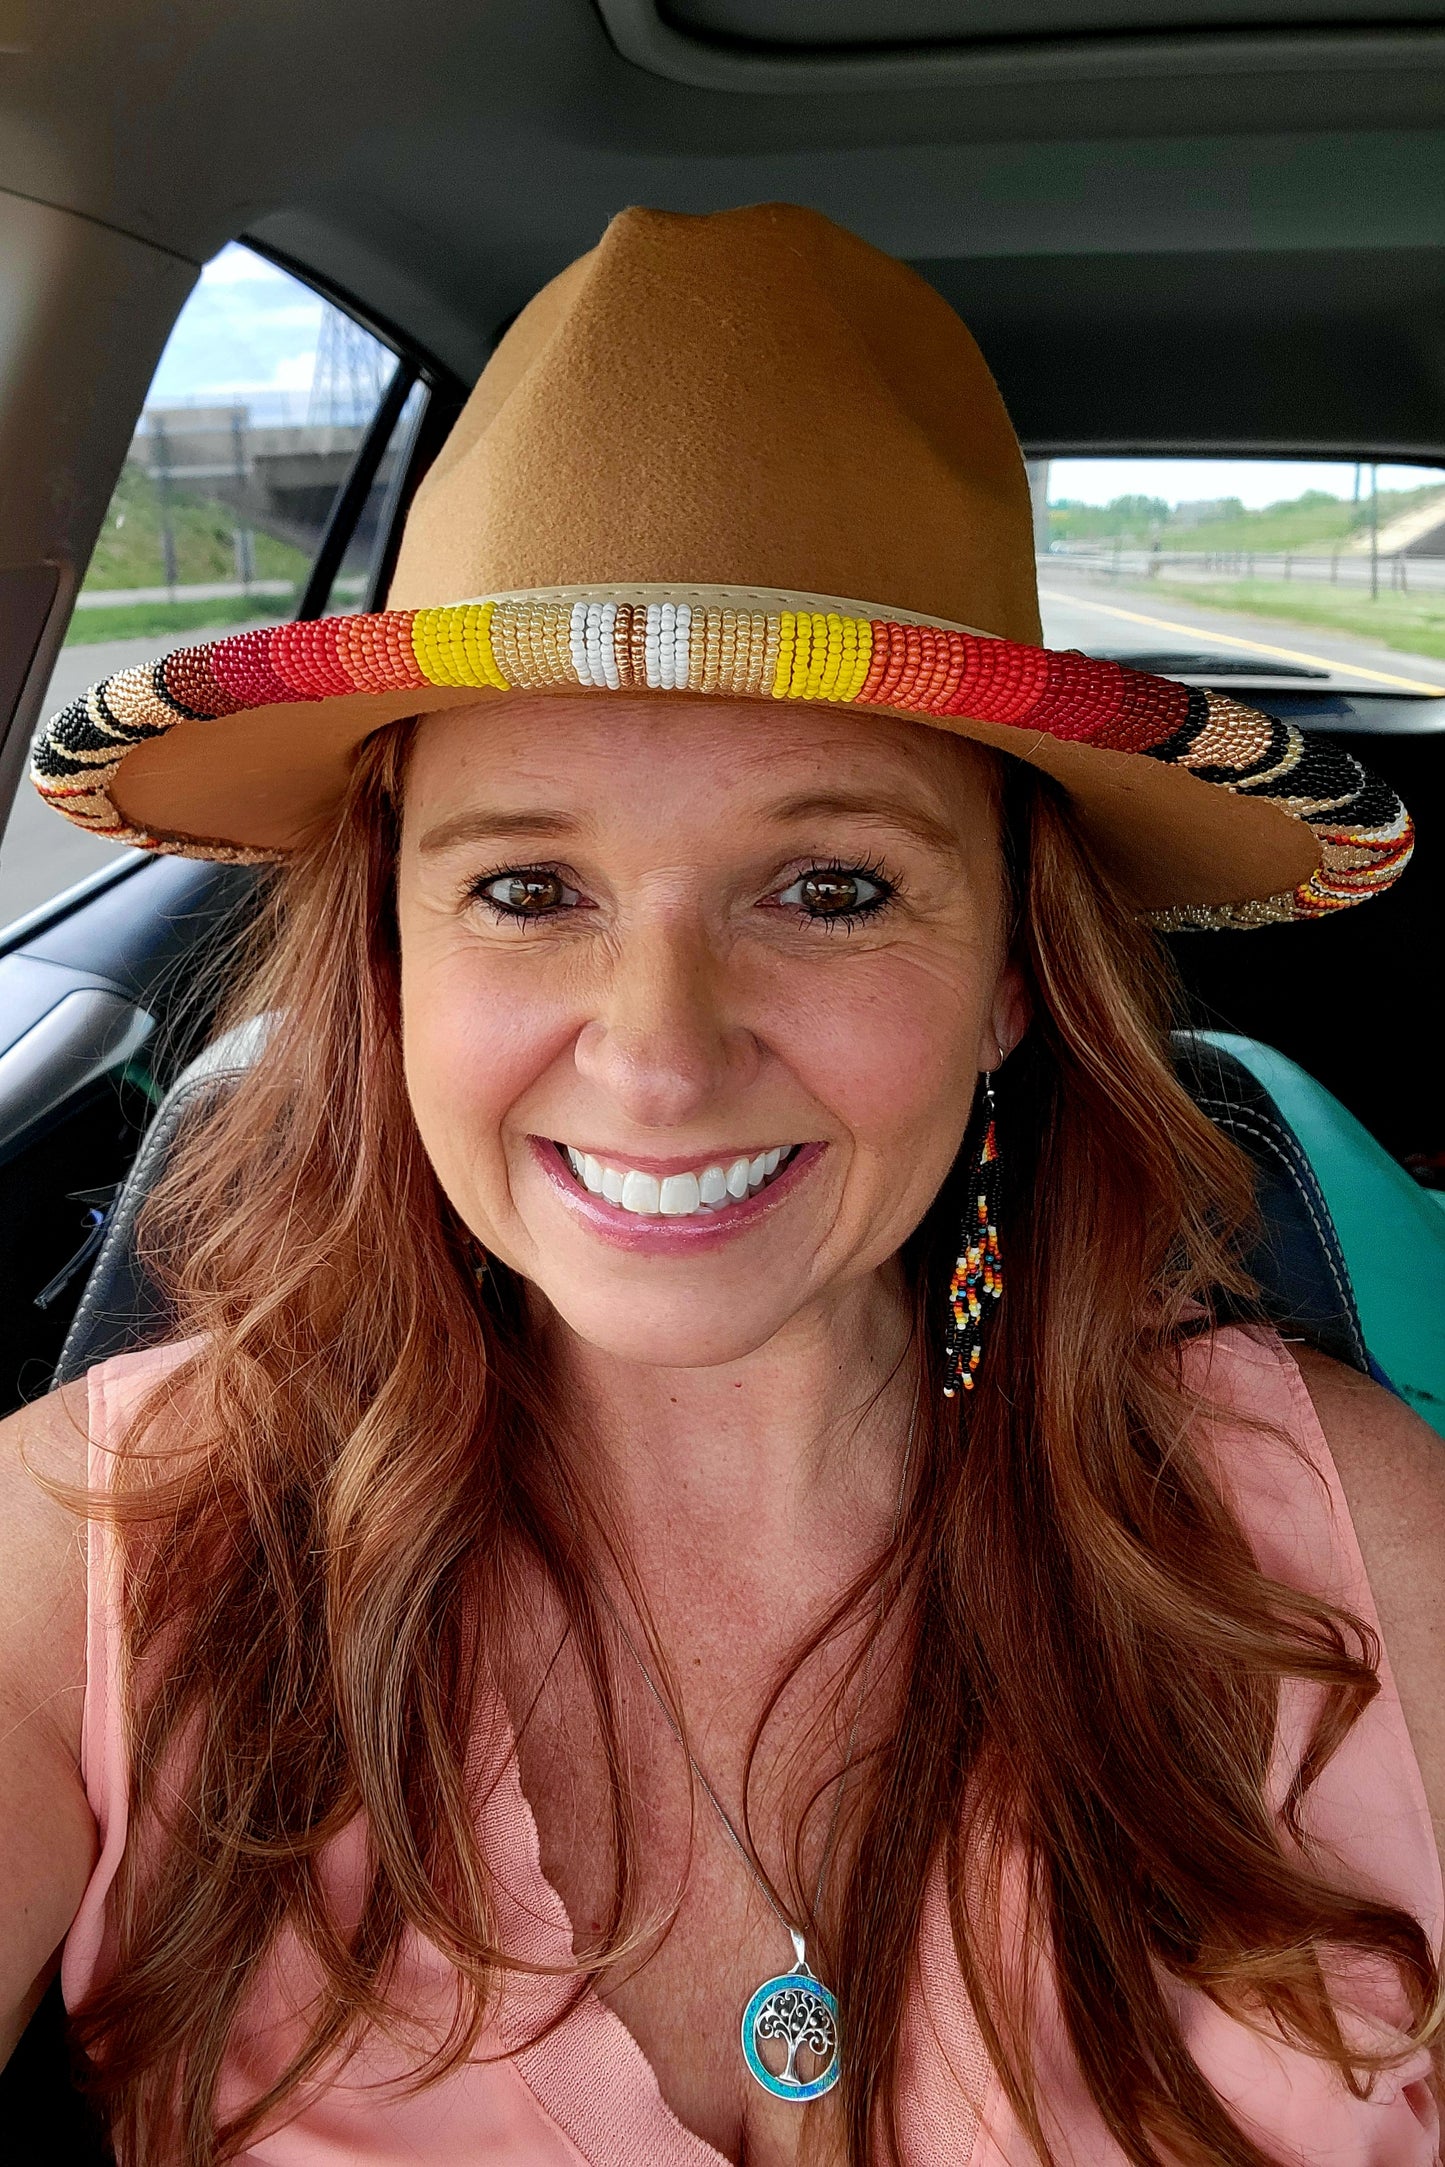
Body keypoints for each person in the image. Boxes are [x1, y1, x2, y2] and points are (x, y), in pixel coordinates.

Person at [3, 203, 1442, 2167]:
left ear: (1015, 972)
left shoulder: (1360, 1552)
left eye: (831, 888)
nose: (659, 1053)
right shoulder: (95, 1555)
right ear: (394, 963)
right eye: (527, 889)